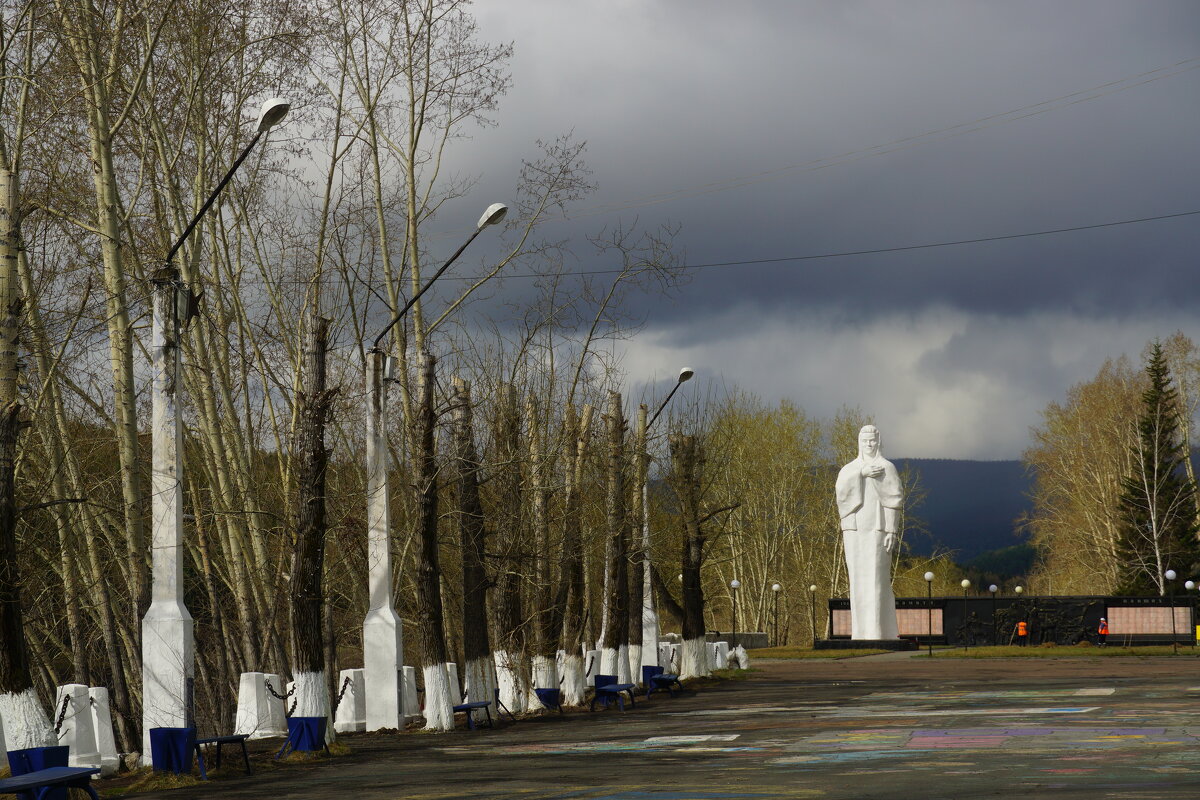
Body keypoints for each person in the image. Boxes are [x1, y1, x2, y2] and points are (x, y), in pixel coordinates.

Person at [835, 425, 903, 640]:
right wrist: (861, 474)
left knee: (876, 578)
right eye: (865, 441)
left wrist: (892, 530)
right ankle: (861, 632)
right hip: (854, 530)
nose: (869, 445)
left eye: (872, 441)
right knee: (857, 578)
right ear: (859, 443)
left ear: (879, 442)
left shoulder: (886, 467)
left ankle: (878, 631)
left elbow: (894, 500)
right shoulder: (850, 469)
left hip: (877, 530)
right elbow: (841, 495)